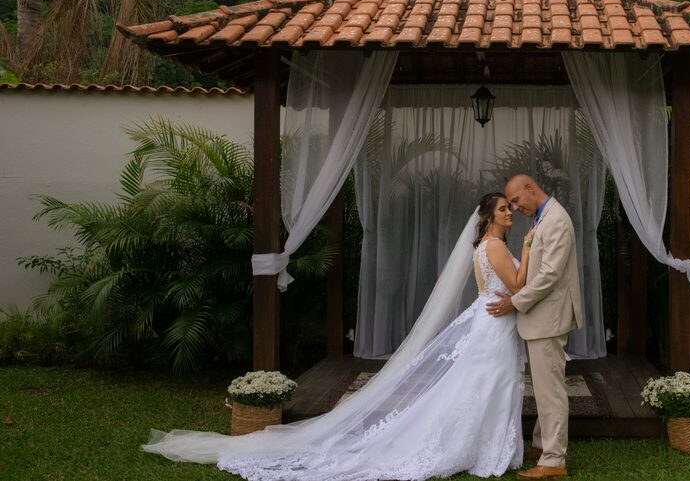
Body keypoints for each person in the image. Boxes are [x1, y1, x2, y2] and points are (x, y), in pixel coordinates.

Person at [143, 192, 536, 481]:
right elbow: (517, 282)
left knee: (484, 387)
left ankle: (488, 447)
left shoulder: (485, 245)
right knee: (489, 385)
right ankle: (483, 450)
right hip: (492, 324)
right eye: (503, 208)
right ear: (488, 216)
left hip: (491, 321)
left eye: (508, 208)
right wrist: (529, 247)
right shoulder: (497, 246)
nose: (509, 213)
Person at [486, 174, 582, 480]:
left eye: (515, 200)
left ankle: (554, 461)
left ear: (531, 188)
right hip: (540, 317)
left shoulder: (556, 220)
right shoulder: (542, 218)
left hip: (549, 318)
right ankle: (544, 446)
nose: (514, 208)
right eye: (509, 204)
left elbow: (549, 275)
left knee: (551, 389)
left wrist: (514, 301)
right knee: (543, 387)